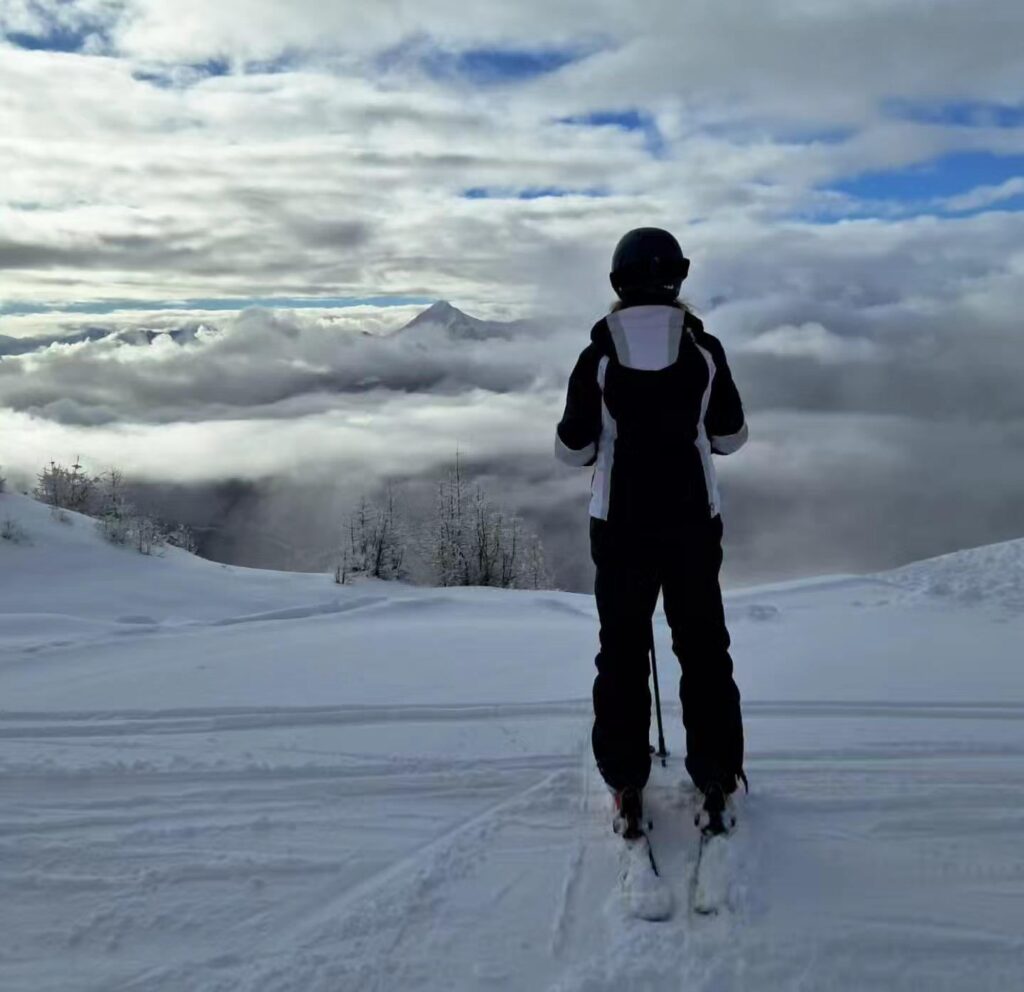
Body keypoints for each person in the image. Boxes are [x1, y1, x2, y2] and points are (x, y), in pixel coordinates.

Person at [554, 227, 748, 838]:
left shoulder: (599, 356)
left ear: (618, 283)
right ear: (677, 280)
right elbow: (730, 437)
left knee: (621, 652)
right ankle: (716, 775)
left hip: (620, 527)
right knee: (703, 649)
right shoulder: (704, 349)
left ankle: (625, 780)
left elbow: (573, 449)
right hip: (693, 523)